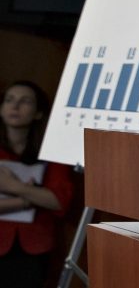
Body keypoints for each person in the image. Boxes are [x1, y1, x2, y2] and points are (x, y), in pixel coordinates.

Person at [0, 80, 74, 288]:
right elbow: (47, 199)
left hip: (34, 247)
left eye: (25, 101)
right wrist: (30, 198)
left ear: (38, 113)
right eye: (9, 100)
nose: (15, 106)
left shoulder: (52, 153)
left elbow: (59, 201)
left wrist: (10, 186)